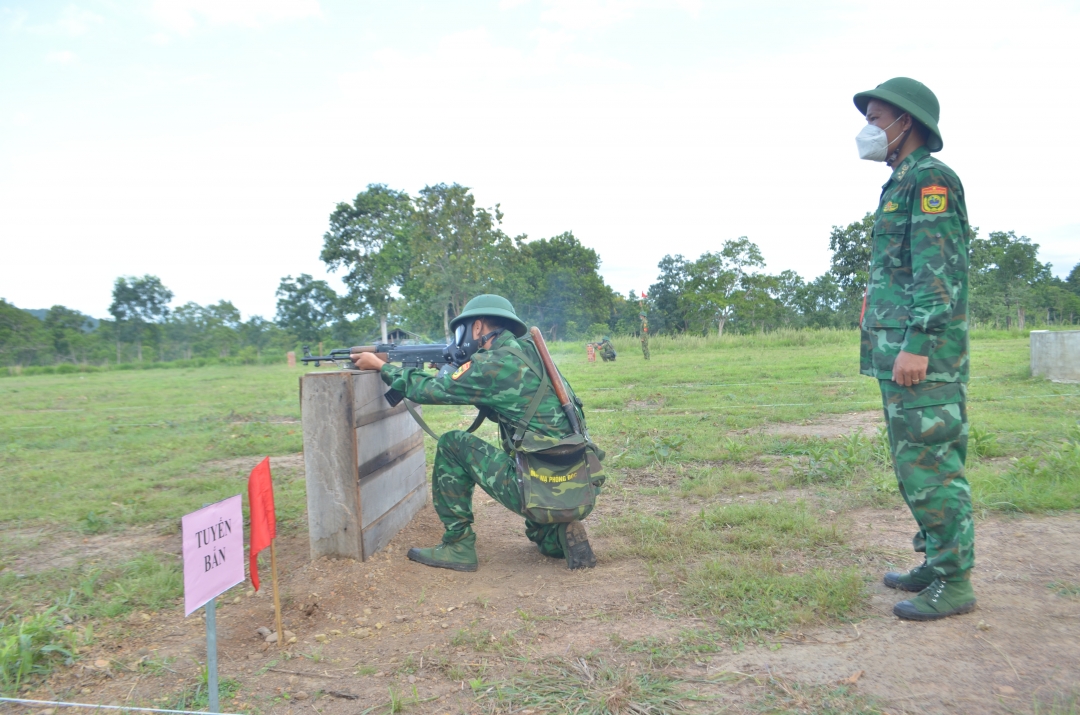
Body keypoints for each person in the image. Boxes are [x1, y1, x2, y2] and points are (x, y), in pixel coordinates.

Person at [351, 294, 604, 572]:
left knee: (451, 444)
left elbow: (428, 391)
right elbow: (506, 402)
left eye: (464, 330)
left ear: (478, 327)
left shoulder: (491, 365)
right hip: (578, 483)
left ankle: (458, 546)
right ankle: (558, 536)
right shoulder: (532, 354)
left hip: (540, 482)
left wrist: (381, 366)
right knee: (538, 534)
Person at [853, 77, 975, 620]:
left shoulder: (930, 179)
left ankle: (955, 582)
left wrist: (918, 343)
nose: (868, 131)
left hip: (922, 356)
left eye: (877, 120)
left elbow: (938, 272)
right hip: (896, 349)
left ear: (908, 123)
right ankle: (934, 559)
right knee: (912, 464)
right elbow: (904, 266)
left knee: (932, 466)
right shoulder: (901, 181)